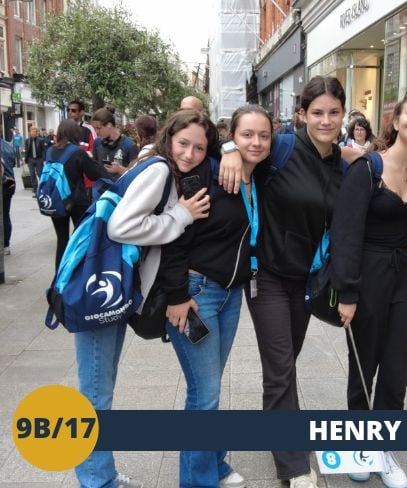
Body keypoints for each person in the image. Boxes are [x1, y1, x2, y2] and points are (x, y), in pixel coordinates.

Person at [72, 109, 213, 488]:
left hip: (106, 282)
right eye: (184, 143)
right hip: (99, 288)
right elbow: (122, 227)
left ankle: (99, 475)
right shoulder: (161, 170)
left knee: (99, 388)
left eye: (200, 148)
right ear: (171, 138)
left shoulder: (152, 159)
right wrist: (180, 216)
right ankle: (96, 480)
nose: (190, 154)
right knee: (96, 393)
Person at [219, 76, 347, 488]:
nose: (325, 120)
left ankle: (280, 429)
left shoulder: (340, 164)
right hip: (267, 276)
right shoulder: (283, 149)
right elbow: (240, 145)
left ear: (343, 114)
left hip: (306, 281)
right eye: (317, 112)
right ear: (301, 115)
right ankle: (292, 465)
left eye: (333, 112)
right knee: (279, 369)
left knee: (285, 364)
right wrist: (229, 150)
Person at [159, 105, 271, 488]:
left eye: (263, 136)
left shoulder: (255, 177)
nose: (255, 142)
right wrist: (176, 294)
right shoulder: (206, 173)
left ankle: (214, 462)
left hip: (230, 295)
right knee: (203, 394)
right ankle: (198, 479)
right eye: (246, 136)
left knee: (210, 386)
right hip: (195, 294)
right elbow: (176, 234)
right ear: (230, 138)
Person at [330, 91, 407, 487]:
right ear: (394, 121)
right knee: (364, 365)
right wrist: (348, 292)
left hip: (402, 273)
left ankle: (383, 449)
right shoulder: (367, 168)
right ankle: (359, 445)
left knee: (396, 369)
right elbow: (346, 232)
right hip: (367, 274)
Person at [47, 120, 109, 270]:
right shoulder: (77, 151)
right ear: (75, 133)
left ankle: (59, 277)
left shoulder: (50, 151)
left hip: (56, 199)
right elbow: (94, 174)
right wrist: (90, 158)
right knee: (80, 239)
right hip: (76, 201)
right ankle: (76, 275)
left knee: (62, 240)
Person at [91, 108, 140, 179]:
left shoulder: (129, 146)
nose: (96, 132)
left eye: (98, 128)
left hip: (120, 187)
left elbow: (136, 175)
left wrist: (120, 170)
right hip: (100, 186)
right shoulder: (98, 142)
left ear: (109, 125)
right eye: (94, 128)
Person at [2, 139, 15, 255]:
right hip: (10, 185)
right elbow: (13, 163)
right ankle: (6, 244)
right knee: (5, 214)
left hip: (3, 182)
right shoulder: (8, 145)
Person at [25, 127, 45, 197]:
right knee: (32, 175)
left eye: (34, 132)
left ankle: (42, 188)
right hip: (31, 159)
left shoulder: (41, 140)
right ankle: (35, 189)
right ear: (30, 133)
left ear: (37, 133)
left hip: (39, 159)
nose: (33, 133)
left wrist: (43, 159)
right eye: (32, 132)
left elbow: (43, 150)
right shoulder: (27, 140)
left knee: (40, 174)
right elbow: (27, 151)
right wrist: (26, 160)